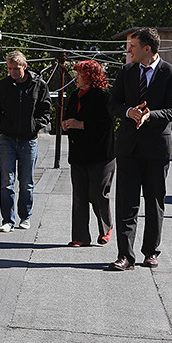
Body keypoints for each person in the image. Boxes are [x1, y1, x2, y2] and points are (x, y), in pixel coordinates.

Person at [108, 28, 172, 270]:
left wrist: (150, 115)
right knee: (126, 203)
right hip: (128, 147)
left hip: (157, 149)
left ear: (147, 49)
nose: (129, 50)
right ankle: (125, 256)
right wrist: (129, 111)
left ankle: (151, 252)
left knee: (154, 201)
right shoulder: (127, 71)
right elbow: (113, 103)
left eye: (133, 46)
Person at [0, 50, 52, 232]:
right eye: (10, 68)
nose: (13, 72)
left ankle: (25, 216)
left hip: (28, 140)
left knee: (26, 181)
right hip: (6, 139)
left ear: (25, 66)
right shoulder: (3, 86)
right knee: (6, 181)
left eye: (16, 68)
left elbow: (46, 112)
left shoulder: (39, 85)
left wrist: (35, 126)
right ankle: (7, 220)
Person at [61, 60, 115, 247]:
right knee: (79, 195)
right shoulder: (74, 95)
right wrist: (66, 124)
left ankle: (106, 228)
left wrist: (79, 124)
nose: (75, 78)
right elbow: (68, 116)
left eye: (79, 74)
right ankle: (80, 236)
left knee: (98, 193)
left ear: (90, 76)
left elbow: (105, 124)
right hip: (79, 154)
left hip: (101, 154)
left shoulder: (104, 97)